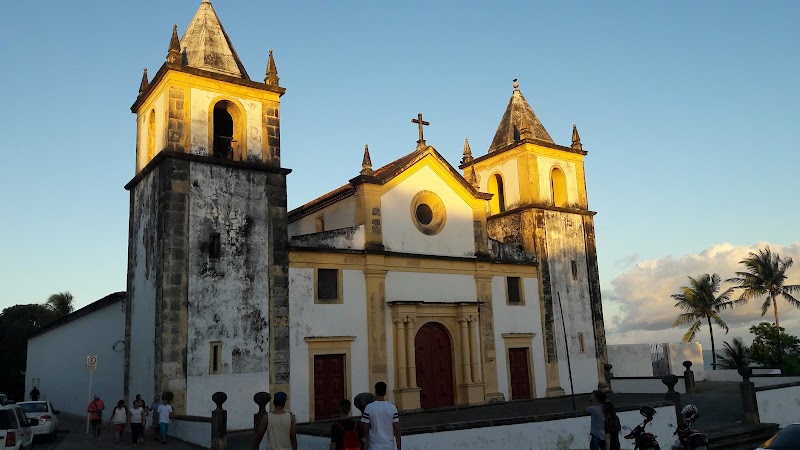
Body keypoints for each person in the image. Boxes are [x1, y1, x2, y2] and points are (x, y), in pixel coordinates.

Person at [361, 382, 401, 450]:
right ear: (385, 392)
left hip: (374, 446)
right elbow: (397, 430)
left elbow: (365, 430)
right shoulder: (392, 407)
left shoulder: (369, 407)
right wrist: (399, 448)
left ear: (375, 392)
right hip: (389, 446)